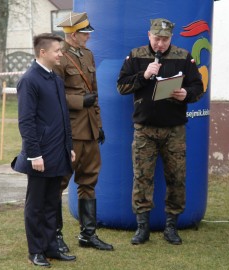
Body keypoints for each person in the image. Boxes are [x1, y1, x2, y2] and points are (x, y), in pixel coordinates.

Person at [116, 18, 204, 245]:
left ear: (171, 39)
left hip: (174, 130)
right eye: (157, 39)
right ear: (149, 36)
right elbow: (121, 86)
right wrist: (144, 76)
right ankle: (142, 227)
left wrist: (187, 93)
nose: (160, 44)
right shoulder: (136, 56)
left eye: (165, 40)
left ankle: (171, 227)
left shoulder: (183, 57)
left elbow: (198, 87)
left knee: (176, 177)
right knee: (142, 177)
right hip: (144, 129)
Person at [11, 33, 76, 267]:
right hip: (39, 154)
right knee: (36, 204)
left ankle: (51, 247)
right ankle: (35, 251)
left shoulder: (56, 79)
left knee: (52, 203)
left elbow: (64, 118)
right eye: (58, 50)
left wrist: (68, 147)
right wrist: (34, 154)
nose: (61, 54)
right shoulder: (29, 80)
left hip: (58, 151)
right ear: (43, 52)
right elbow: (26, 121)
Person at [53, 12, 114, 251]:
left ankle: (88, 235)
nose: (89, 37)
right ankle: (55, 237)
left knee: (89, 181)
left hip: (89, 130)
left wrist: (98, 126)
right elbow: (53, 96)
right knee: (58, 183)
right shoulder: (60, 58)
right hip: (70, 130)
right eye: (85, 34)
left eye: (88, 33)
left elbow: (94, 94)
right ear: (73, 35)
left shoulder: (88, 55)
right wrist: (79, 101)